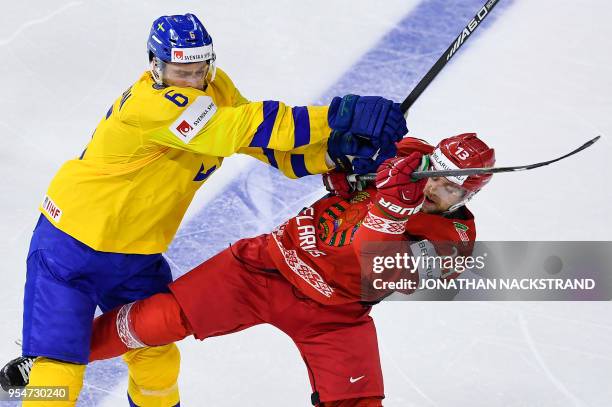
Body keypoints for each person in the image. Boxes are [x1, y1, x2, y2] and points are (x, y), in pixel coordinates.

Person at [0, 13, 408, 407]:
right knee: (56, 372)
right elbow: (240, 127)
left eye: (201, 69)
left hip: (137, 255)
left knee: (157, 357)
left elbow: (262, 143)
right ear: (155, 65)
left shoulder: (215, 88)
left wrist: (333, 153)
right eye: (183, 72)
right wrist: (341, 115)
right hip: (70, 244)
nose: (194, 80)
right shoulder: (151, 105)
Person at [85, 134, 495, 406]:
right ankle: (52, 355)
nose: (435, 189)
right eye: (436, 175)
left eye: (451, 188)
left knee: (358, 403)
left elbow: (382, 269)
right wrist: (356, 155)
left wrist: (391, 207)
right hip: (264, 266)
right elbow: (332, 173)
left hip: (334, 313)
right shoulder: (405, 157)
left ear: (470, 192)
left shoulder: (455, 239)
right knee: (153, 320)